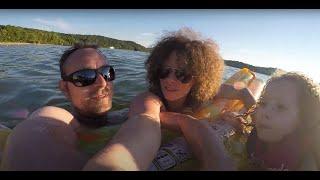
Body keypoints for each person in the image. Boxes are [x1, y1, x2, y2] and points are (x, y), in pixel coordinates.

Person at [0, 43, 162, 171]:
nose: (102, 83)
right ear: (64, 88)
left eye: (107, 73)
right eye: (85, 77)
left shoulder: (128, 114)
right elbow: (33, 138)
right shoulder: (55, 117)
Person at [128, 27, 255, 170]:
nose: (170, 80)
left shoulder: (207, 92)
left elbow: (243, 92)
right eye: (164, 71)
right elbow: (144, 117)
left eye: (182, 74)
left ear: (199, 79)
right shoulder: (150, 99)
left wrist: (254, 123)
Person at [219, 72, 320, 170]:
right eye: (263, 103)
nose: (265, 112)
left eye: (281, 107)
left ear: (303, 119)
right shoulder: (268, 130)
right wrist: (240, 128)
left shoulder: (304, 162)